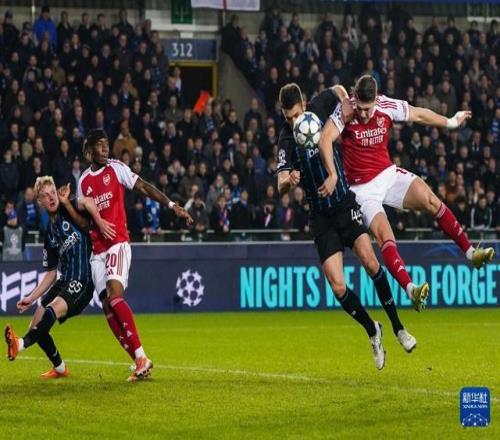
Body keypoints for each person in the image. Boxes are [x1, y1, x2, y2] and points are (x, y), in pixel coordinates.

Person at [277, 83, 417, 371]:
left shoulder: (319, 106)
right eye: (288, 117)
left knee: (370, 261)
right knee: (337, 284)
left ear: (304, 104)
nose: (294, 121)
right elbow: (279, 184)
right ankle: (372, 330)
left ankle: (399, 328)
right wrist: (288, 182)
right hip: (320, 216)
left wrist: (344, 103)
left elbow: (340, 89)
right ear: (282, 114)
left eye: (297, 114)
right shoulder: (286, 141)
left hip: (343, 202)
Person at [319, 75, 494, 303]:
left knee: (431, 200)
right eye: (359, 108)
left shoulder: (386, 106)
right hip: (362, 190)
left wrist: (451, 121)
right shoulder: (345, 110)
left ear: (375, 100)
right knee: (385, 235)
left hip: (388, 175)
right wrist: (333, 174)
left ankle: (471, 253)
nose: (362, 114)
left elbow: (420, 114)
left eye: (367, 109)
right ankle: (412, 290)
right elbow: (325, 139)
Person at [77, 128, 193, 381]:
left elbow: (143, 187)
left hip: (118, 243)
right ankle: (140, 362)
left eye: (107, 144)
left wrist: (171, 205)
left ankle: (141, 357)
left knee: (115, 294)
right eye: (100, 145)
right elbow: (83, 219)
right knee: (106, 306)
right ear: (89, 150)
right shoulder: (83, 181)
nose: (105, 148)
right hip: (97, 250)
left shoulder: (116, 168)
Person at [4, 176, 114, 378]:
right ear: (40, 202)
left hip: (82, 280)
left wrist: (97, 220)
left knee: (51, 310)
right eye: (46, 195)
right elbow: (51, 274)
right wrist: (31, 297)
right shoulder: (50, 234)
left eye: (53, 192)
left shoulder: (69, 207)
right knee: (36, 324)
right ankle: (60, 368)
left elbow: (89, 202)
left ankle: (20, 344)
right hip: (64, 280)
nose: (51, 197)